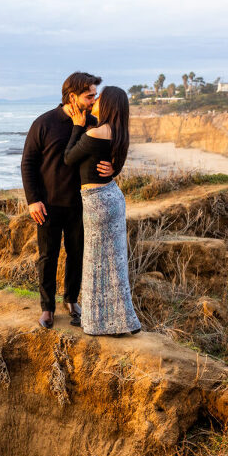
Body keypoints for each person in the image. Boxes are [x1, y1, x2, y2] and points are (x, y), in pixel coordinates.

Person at [21, 72, 114, 329]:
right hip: (48, 204)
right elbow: (28, 163)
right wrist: (33, 200)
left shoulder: (93, 123)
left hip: (82, 203)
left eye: (95, 95)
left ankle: (71, 300)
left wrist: (113, 169)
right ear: (72, 96)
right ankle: (47, 308)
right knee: (48, 257)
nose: (94, 100)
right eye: (89, 96)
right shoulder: (44, 123)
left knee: (77, 254)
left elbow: (107, 155)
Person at [63, 86, 142, 336]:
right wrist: (115, 170)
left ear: (107, 104)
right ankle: (121, 322)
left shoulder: (95, 132)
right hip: (113, 197)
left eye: (99, 98)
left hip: (96, 201)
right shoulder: (119, 133)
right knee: (115, 264)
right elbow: (113, 165)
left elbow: (69, 158)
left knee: (95, 262)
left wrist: (77, 125)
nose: (95, 101)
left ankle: (96, 321)